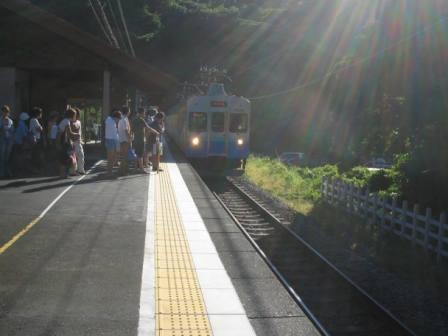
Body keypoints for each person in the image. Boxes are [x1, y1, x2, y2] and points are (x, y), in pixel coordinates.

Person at [132, 108, 158, 174]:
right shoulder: (141, 120)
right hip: (140, 139)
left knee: (136, 154)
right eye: (144, 113)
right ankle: (141, 169)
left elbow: (131, 130)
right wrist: (156, 132)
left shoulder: (134, 120)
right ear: (141, 113)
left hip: (135, 139)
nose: (144, 114)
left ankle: (135, 168)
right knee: (140, 154)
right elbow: (148, 128)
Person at [57, 108, 77, 178]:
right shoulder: (66, 121)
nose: (75, 116)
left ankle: (62, 174)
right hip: (62, 142)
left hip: (61, 141)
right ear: (72, 115)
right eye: (75, 115)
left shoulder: (65, 121)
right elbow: (69, 133)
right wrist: (77, 134)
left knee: (63, 158)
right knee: (65, 158)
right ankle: (63, 174)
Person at [105, 109, 121, 176]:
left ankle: (109, 172)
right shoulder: (111, 122)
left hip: (109, 140)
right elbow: (114, 134)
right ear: (116, 117)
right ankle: (109, 173)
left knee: (111, 158)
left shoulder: (109, 120)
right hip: (111, 140)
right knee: (111, 158)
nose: (118, 121)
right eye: (118, 119)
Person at [0, 105, 14, 178]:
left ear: (8, 112)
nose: (5, 113)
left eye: (6, 111)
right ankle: (2, 173)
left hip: (9, 140)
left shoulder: (10, 121)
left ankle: (7, 173)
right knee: (2, 157)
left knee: (7, 157)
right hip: (2, 140)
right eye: (3, 111)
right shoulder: (0, 120)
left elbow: (12, 131)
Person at [70, 108, 85, 175]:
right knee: (73, 157)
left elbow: (80, 132)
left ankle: (81, 170)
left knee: (81, 155)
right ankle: (72, 171)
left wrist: (81, 139)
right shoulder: (70, 122)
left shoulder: (79, 122)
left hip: (78, 142)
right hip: (72, 142)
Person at [29, 107, 44, 173]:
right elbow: (39, 129)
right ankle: (35, 169)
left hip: (34, 138)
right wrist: (41, 127)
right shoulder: (34, 120)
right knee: (36, 154)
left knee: (35, 154)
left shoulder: (32, 120)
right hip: (35, 139)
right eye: (40, 113)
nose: (41, 114)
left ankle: (35, 169)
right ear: (38, 114)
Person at [118, 107, 131, 176]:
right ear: (127, 111)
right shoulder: (124, 119)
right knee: (124, 156)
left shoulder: (121, 118)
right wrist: (130, 138)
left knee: (123, 156)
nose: (130, 112)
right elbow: (126, 130)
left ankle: (122, 170)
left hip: (121, 139)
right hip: (124, 140)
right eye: (129, 110)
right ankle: (122, 171)